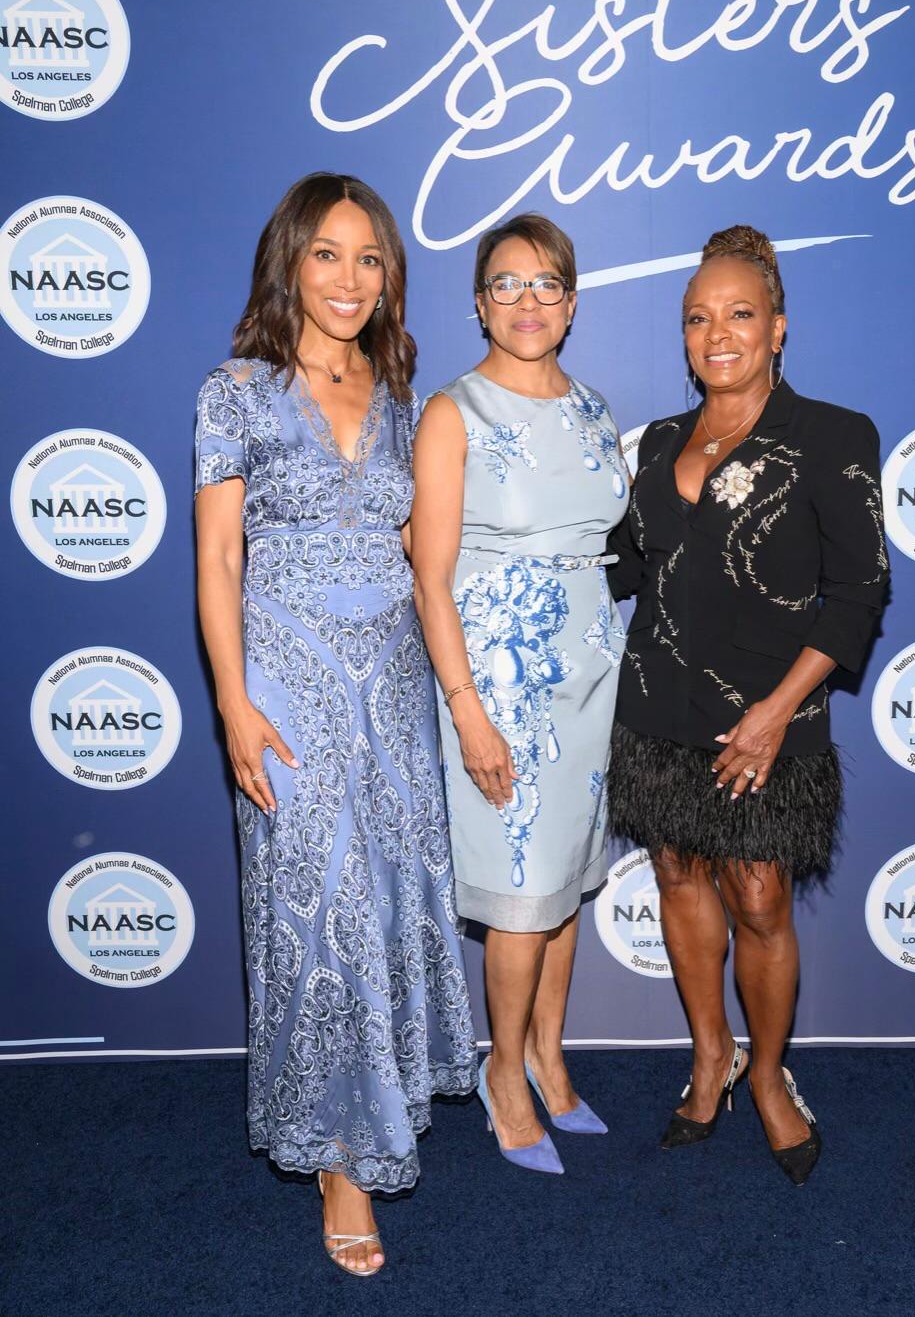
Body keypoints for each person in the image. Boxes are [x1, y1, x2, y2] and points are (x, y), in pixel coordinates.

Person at [195, 172, 476, 1276]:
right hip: (288, 687)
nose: (350, 278)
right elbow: (219, 559)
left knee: (387, 899)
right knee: (316, 909)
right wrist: (232, 701)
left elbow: (428, 558)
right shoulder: (236, 391)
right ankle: (339, 1160)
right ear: (290, 263)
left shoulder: (402, 389)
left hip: (395, 687)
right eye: (328, 254)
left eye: (369, 258)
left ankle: (383, 1099)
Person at [606, 224, 888, 1185]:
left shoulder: (832, 437)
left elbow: (857, 595)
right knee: (680, 881)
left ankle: (768, 1076)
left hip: (766, 720)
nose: (715, 333)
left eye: (738, 314)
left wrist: (773, 713)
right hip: (655, 710)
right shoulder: (652, 444)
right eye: (696, 318)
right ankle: (707, 1058)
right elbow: (622, 567)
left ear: (777, 328)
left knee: (759, 900)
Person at [411, 213, 628, 1174]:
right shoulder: (452, 413)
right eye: (507, 284)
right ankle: (504, 1071)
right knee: (519, 900)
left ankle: (546, 1052)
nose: (528, 301)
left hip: (591, 671)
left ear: (571, 304)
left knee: (567, 883)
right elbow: (429, 574)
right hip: (500, 677)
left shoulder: (591, 407)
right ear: (478, 303)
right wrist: (465, 708)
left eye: (547, 284)